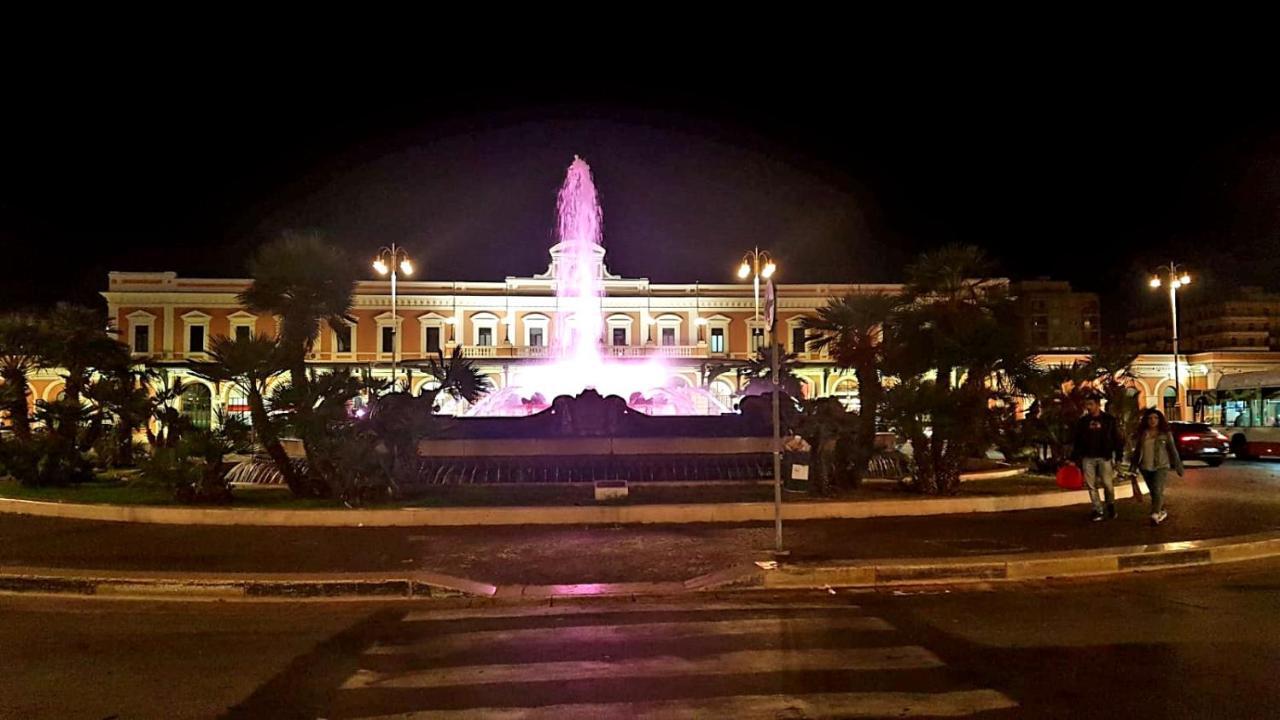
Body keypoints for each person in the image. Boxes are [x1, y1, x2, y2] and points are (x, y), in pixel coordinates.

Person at [1069, 394, 1126, 521]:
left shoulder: (1109, 420)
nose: (1088, 407)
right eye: (1087, 404)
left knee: (1107, 484)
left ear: (1098, 404)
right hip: (1088, 457)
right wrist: (1074, 458)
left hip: (1104, 456)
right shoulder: (1083, 422)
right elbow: (1078, 441)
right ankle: (1097, 509)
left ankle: (1110, 504)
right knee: (1091, 485)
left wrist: (1118, 457)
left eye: (1091, 404)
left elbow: (1117, 439)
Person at [1128, 408, 1184, 525]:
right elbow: (1137, 451)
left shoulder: (1165, 434)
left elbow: (1173, 450)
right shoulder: (1143, 434)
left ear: (1159, 420)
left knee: (1158, 489)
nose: (1153, 420)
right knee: (1153, 491)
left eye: (1155, 418)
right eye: (1150, 418)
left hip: (1161, 466)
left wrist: (1178, 466)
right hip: (1145, 467)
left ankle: (1154, 514)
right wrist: (1133, 467)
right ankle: (1161, 510)